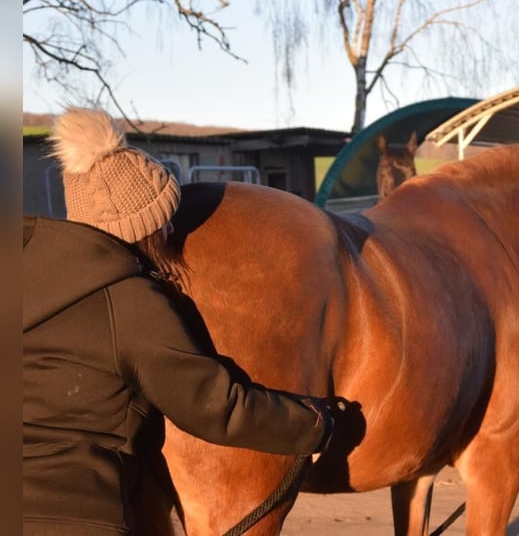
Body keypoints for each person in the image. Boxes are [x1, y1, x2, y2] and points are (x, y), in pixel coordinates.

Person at [23, 107, 335, 535]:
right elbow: (214, 407)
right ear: (138, 229)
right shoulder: (127, 301)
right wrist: (312, 424)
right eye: (163, 219)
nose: (171, 228)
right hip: (79, 517)